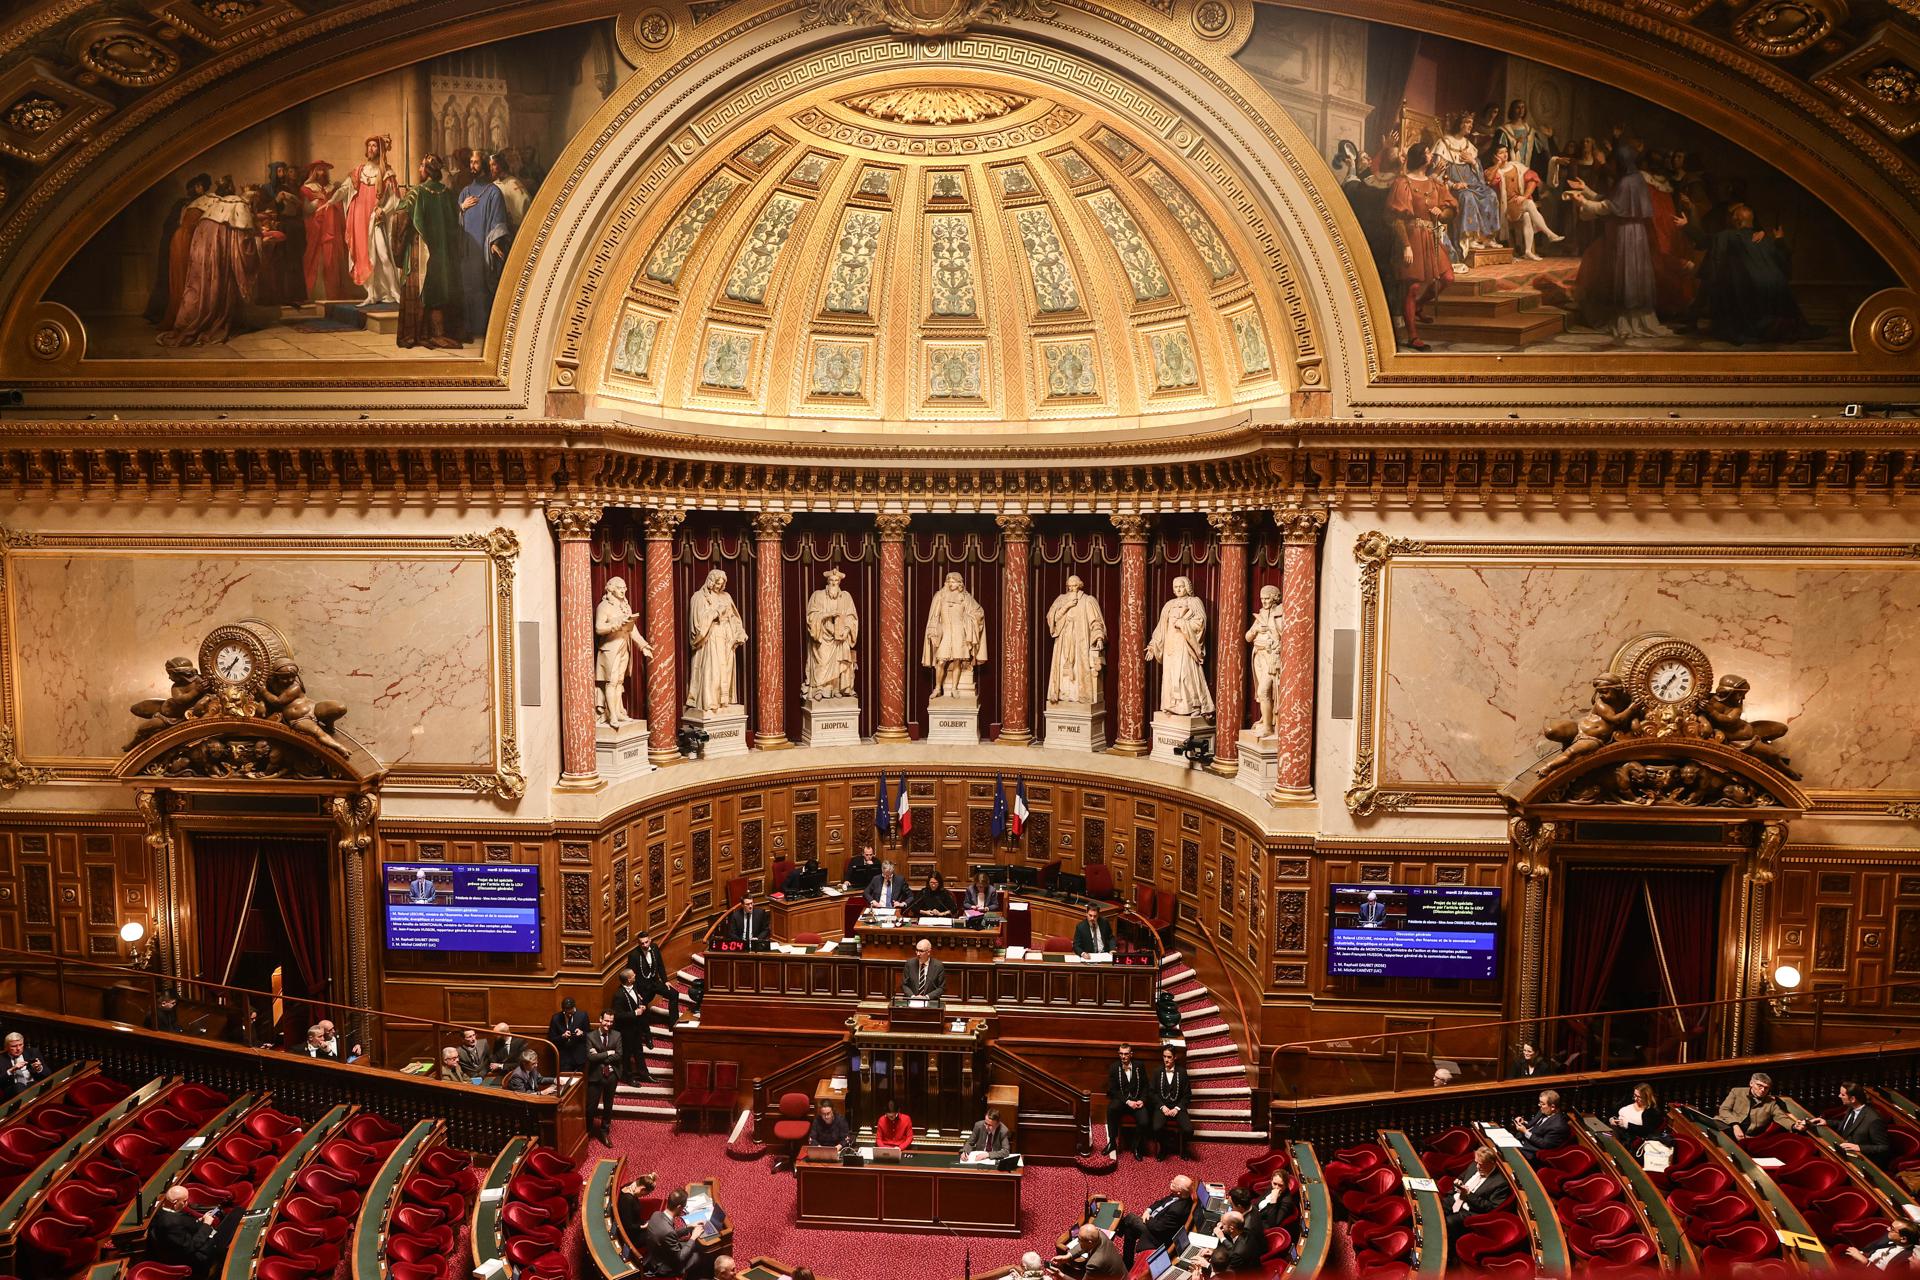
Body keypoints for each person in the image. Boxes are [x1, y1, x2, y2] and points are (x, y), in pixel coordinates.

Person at [1566, 142, 1669, 338]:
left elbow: (1608, 207)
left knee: (1625, 271)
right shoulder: (1635, 178)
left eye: (1614, 162)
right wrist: (1585, 189)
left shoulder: (1626, 182)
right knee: (1631, 272)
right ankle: (1634, 318)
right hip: (1635, 233)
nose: (1612, 166)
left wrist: (1582, 202)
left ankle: (1625, 320)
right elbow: (1610, 199)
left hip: (1624, 234)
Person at [159, 176, 262, 347]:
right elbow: (243, 244)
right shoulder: (239, 205)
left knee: (201, 283)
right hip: (216, 248)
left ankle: (191, 318)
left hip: (201, 246)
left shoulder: (212, 204)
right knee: (221, 280)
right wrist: (257, 242)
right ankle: (216, 317)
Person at [1699, 203, 1808, 345]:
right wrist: (1779, 239)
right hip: (1778, 287)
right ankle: (1776, 325)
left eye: (1733, 216)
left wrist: (1687, 225)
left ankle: (1768, 326)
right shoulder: (1766, 239)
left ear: (1736, 220)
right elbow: (1784, 261)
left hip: (1751, 289)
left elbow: (1706, 244)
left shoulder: (1727, 235)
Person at [1387, 142, 1456, 350]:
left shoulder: (1435, 184)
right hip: (1411, 237)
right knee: (1413, 286)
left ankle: (1418, 306)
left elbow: (1450, 210)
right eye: (1427, 152)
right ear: (1419, 156)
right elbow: (1396, 218)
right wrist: (1406, 245)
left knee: (1448, 278)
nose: (1430, 155)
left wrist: (1441, 213)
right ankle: (1413, 336)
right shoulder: (1403, 182)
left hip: (1431, 236)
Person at [396, 154, 467, 349]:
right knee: (440, 287)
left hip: (421, 249)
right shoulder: (447, 193)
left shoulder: (416, 193)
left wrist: (399, 247)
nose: (419, 170)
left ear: (427, 170)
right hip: (444, 253)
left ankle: (419, 333)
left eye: (420, 167)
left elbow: (402, 218)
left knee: (421, 288)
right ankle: (440, 332)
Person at [145, 173, 213, 324]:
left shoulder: (208, 202)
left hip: (196, 242)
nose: (197, 188)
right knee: (178, 275)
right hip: (180, 240)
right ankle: (175, 312)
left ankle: (193, 313)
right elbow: (171, 224)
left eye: (200, 186)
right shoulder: (182, 203)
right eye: (195, 186)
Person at [457, 148, 510, 336]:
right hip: (467, 250)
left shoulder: (493, 192)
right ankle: (469, 329)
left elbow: (498, 220)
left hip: (484, 249)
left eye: (476, 162)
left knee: (482, 289)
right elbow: (455, 221)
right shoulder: (464, 192)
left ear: (485, 165)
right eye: (471, 162)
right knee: (467, 287)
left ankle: (483, 331)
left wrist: (495, 242)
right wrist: (461, 209)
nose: (472, 165)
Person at [1483, 142, 1563, 260]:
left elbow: (1533, 178)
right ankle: (1549, 233)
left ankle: (1528, 251)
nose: (1505, 155)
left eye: (1506, 152)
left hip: (1518, 204)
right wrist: (1498, 164)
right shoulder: (1493, 170)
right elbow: (1489, 179)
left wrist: (1525, 196)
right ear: (1494, 156)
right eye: (1501, 153)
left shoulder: (1516, 166)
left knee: (1526, 215)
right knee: (1529, 203)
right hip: (1503, 209)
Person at [1145, 576, 1212, 717]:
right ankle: (1172, 705)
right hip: (1171, 644)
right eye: (1175, 587)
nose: (1178, 589)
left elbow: (1200, 624)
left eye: (1181, 586)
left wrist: (1183, 623)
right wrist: (1153, 645)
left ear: (1187, 587)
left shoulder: (1194, 602)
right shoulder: (1169, 605)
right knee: (1170, 675)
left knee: (1185, 674)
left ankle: (1193, 706)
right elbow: (1161, 627)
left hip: (1185, 644)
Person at [146, 1184, 236, 1276]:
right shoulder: (170, 1224)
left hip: (201, 1236)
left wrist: (201, 1221)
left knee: (235, 1214)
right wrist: (206, 1225)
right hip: (198, 1255)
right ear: (175, 1203)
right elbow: (190, 1246)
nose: (187, 1203)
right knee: (235, 1218)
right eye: (184, 1201)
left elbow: (185, 1227)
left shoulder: (163, 1211)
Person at [1113, 1175, 1195, 1269]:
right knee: (1129, 1229)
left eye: (1174, 1183)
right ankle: (1127, 1262)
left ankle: (1116, 1232)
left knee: (1131, 1219)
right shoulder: (1179, 1195)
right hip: (1157, 1223)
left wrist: (1148, 1217)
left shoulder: (1177, 1210)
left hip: (1158, 1237)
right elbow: (1160, 1202)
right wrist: (1148, 1210)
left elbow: (1158, 1228)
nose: (1171, 1181)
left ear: (1179, 1192)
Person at [1810, 1081, 1892, 1168]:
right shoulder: (1851, 1108)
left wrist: (1859, 1147)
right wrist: (1827, 1122)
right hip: (1843, 1153)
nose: (1839, 1096)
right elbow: (1848, 1125)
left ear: (1852, 1099)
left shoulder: (1874, 1120)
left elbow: (1884, 1147)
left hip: (1861, 1161)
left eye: (1843, 1095)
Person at [299, 161, 347, 301]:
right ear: (314, 172)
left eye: (324, 170)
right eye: (319, 170)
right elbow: (306, 210)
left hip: (332, 227)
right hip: (316, 228)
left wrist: (332, 202)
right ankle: (315, 294)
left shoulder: (331, 188)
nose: (322, 173)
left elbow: (338, 204)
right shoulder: (306, 189)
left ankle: (332, 294)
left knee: (331, 258)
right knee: (315, 257)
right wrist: (317, 202)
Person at [1444, 1148, 1511, 1237]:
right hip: (1457, 1198)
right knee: (1437, 1208)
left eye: (1481, 1164)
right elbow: (1462, 1176)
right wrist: (1458, 1181)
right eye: (1477, 1163)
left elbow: (1491, 1208)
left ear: (1492, 1163)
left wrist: (1468, 1194)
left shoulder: (1500, 1183)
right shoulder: (1474, 1165)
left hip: (1470, 1210)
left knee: (1448, 1222)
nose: (1477, 1167)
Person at [645, 1189, 710, 1279]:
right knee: (698, 1255)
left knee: (692, 1246)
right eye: (683, 1207)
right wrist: (693, 1237)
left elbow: (666, 1234)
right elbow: (680, 1258)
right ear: (679, 1207)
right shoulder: (668, 1232)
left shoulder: (656, 1214)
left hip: (657, 1254)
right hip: (664, 1267)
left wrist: (688, 1228)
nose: (683, 1210)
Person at [1716, 1071, 1803, 1139]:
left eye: (1766, 1088)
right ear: (1751, 1083)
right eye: (1759, 1086)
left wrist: (1794, 1126)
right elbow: (1724, 1109)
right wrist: (1735, 1125)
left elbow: (1781, 1117)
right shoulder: (1736, 1091)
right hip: (1726, 1126)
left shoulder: (1771, 1103)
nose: (1762, 1090)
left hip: (1747, 1136)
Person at [626, 930, 681, 1033]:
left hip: (655, 983)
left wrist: (665, 981)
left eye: (646, 942)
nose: (645, 945)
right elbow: (631, 976)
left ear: (650, 940)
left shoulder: (655, 948)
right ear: (639, 943)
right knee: (643, 1008)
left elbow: (660, 965)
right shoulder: (633, 955)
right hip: (642, 987)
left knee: (674, 994)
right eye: (642, 943)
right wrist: (636, 992)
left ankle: (673, 1024)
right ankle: (647, 1035)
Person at [585, 1010, 623, 1146]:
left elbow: (619, 1055)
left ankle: (604, 1132)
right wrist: (608, 1052)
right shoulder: (590, 1036)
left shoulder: (617, 1035)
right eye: (606, 1021)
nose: (608, 1024)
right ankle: (587, 1131)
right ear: (600, 1019)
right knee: (591, 1107)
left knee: (608, 1106)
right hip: (595, 1076)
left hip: (611, 1075)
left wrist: (599, 1056)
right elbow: (590, 1057)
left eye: (611, 1022)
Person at [612, 969, 651, 1083]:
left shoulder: (634, 987)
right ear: (629, 980)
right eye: (633, 975)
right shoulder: (619, 995)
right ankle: (628, 1077)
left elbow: (635, 1002)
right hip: (626, 1030)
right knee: (627, 1054)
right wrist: (634, 1013)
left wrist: (641, 1006)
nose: (635, 976)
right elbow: (618, 1015)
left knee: (639, 1051)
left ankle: (644, 1074)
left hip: (636, 1027)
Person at [1610, 1082, 1670, 1149]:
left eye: (1639, 1097)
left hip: (1631, 1141)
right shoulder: (1629, 1100)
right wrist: (1612, 1119)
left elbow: (1647, 1131)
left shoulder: (1651, 1112)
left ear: (1646, 1097)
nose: (1635, 1099)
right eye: (1635, 1095)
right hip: (1616, 1133)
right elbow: (1614, 1111)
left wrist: (1626, 1124)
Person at [1055, 1222, 1127, 1278]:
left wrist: (1060, 1275)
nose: (1078, 1242)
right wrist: (1068, 1256)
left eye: (1079, 1239)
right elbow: (1083, 1245)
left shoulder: (1094, 1263)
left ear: (1090, 1242)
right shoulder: (1099, 1234)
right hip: (1122, 1273)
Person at [1514, 1088, 1571, 1158]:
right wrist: (1524, 1122)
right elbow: (1533, 1125)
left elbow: (1544, 1144)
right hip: (1521, 1140)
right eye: (1540, 1103)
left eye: (1543, 1104)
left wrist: (1525, 1132)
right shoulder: (1544, 1110)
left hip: (1531, 1151)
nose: (1539, 1105)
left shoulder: (1558, 1126)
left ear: (1553, 1107)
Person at [1203, 1210, 1262, 1275]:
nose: (1221, 1225)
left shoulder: (1238, 1254)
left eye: (1224, 1224)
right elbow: (1233, 1249)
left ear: (1231, 1229)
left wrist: (1207, 1265)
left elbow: (1227, 1274)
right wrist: (1215, 1254)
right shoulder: (1247, 1231)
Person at [1843, 1221, 1920, 1270]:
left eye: (1892, 1229)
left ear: (1903, 1239)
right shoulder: (1888, 1238)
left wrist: (1865, 1262)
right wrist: (1860, 1254)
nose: (1888, 1229)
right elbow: (1869, 1249)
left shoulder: (1908, 1259)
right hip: (1857, 1265)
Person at [1248, 1167, 1298, 1237]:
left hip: (1260, 1227)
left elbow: (1272, 1224)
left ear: (1286, 1185)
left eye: (1280, 1185)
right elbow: (1258, 1202)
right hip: (1254, 1216)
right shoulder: (1271, 1187)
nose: (1276, 1188)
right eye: (1274, 1183)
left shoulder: (1287, 1202)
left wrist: (1273, 1201)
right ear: (1271, 1181)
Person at [548, 997, 591, 1073]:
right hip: (564, 1058)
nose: (569, 1014)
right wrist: (562, 1036)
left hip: (579, 1057)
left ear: (574, 1007)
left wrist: (582, 1033)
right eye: (566, 1012)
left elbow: (589, 1035)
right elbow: (552, 1038)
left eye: (571, 1011)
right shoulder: (556, 1018)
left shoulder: (583, 1016)